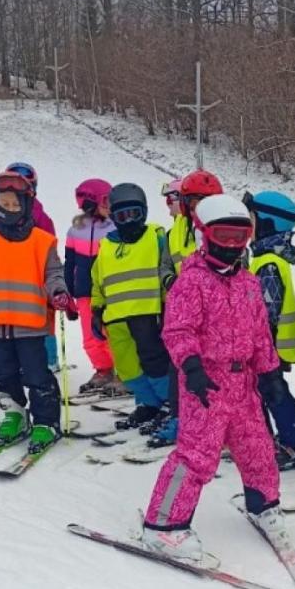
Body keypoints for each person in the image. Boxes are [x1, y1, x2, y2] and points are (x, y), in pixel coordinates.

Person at [142, 195, 289, 562]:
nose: (233, 246)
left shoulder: (249, 284)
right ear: (205, 234)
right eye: (224, 236)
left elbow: (260, 334)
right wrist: (190, 367)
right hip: (206, 382)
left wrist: (271, 374)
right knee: (196, 455)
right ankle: (164, 526)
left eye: (241, 237)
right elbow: (178, 330)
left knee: (257, 446)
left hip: (244, 384)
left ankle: (263, 504)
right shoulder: (191, 282)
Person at [0, 171, 76, 453]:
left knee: (37, 375)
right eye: (5, 204)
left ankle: (46, 422)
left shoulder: (41, 241)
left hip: (32, 325)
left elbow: (53, 274)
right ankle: (15, 413)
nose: (10, 210)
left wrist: (58, 292)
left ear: (26, 205)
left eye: (16, 204)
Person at [244, 189, 295, 470]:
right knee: (264, 391)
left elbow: (267, 310)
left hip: (270, 344)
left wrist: (251, 339)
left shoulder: (269, 263)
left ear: (266, 223)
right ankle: (273, 439)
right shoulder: (265, 258)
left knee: (273, 391)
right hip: (267, 344)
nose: (247, 226)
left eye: (251, 219)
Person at [152, 169, 225, 447]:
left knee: (216, 370)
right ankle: (180, 418)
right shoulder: (175, 232)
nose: (198, 208)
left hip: (214, 314)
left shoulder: (223, 228)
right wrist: (172, 282)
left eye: (205, 201)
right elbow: (164, 266)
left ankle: (216, 423)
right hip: (183, 314)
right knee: (179, 365)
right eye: (193, 202)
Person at [91, 183, 171, 429]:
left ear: (144, 213)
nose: (129, 221)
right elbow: (98, 280)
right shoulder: (106, 246)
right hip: (116, 318)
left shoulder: (155, 236)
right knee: (127, 367)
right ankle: (148, 403)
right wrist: (96, 309)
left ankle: (169, 403)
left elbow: (165, 270)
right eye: (122, 216)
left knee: (155, 362)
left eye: (134, 214)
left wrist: (169, 306)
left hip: (148, 313)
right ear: (113, 217)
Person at [64, 178, 119, 393]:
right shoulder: (75, 230)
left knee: (112, 335)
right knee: (90, 337)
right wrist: (69, 293)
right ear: (90, 202)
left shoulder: (115, 228)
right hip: (84, 292)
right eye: (105, 201)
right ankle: (103, 369)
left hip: (109, 293)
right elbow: (70, 263)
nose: (109, 206)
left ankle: (124, 373)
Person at [4, 162, 61, 371]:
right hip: (11, 278)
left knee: (43, 318)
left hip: (37, 277)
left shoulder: (40, 217)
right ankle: (22, 359)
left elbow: (49, 246)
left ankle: (49, 359)